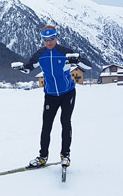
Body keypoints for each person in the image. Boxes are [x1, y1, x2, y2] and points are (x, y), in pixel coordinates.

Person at [12, 25, 78, 169]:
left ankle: (65, 155)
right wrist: (21, 68)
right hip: (50, 95)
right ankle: (42, 157)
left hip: (67, 93)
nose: (49, 42)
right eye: (46, 39)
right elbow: (29, 68)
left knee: (65, 122)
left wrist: (76, 61)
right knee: (46, 126)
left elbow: (87, 64)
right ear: (42, 40)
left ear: (56, 38)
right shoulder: (40, 54)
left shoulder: (65, 52)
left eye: (52, 39)